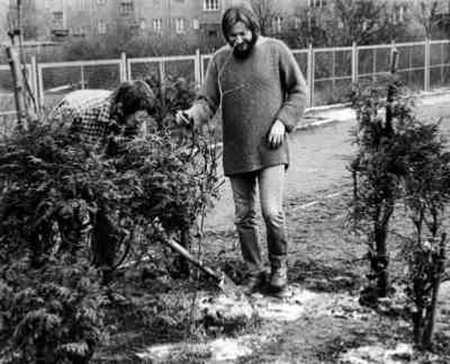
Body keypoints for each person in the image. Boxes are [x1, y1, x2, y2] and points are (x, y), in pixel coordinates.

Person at [176, 6, 308, 296]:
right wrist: (191, 115)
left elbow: (299, 90)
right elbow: (207, 101)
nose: (238, 40)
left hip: (271, 148)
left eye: (243, 33)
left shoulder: (276, 51)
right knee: (243, 216)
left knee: (271, 212)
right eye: (232, 35)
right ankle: (253, 271)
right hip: (237, 150)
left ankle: (279, 268)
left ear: (254, 28)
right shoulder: (220, 60)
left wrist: (283, 122)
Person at [49, 80, 156, 280]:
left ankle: (104, 275)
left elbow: (131, 162)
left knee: (109, 226)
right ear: (122, 108)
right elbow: (52, 148)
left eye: (142, 120)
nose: (139, 125)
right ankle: (63, 276)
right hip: (69, 170)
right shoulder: (76, 110)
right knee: (71, 226)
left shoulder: (136, 126)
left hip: (102, 175)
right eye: (136, 119)